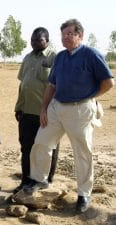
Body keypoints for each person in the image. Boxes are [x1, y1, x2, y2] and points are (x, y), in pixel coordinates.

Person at [23, 19, 114, 213]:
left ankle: (84, 194)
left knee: (82, 152)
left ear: (80, 36)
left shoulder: (91, 54)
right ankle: (39, 180)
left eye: (71, 34)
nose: (66, 37)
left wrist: (90, 97)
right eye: (63, 34)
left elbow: (108, 82)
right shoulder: (61, 57)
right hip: (56, 108)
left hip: (80, 110)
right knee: (41, 142)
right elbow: (51, 85)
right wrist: (44, 109)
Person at [13, 27, 59, 194]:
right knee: (26, 147)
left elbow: (57, 87)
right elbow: (23, 84)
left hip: (46, 113)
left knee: (47, 147)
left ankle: (46, 180)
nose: (34, 43)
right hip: (26, 112)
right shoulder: (27, 57)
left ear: (47, 40)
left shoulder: (55, 58)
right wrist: (18, 107)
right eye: (32, 40)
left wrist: (51, 110)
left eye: (38, 40)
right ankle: (26, 180)